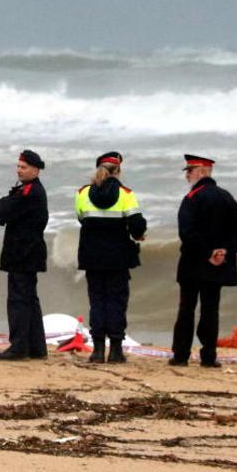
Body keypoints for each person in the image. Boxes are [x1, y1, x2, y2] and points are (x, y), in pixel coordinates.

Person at [169, 154, 237, 368]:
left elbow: (186, 233)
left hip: (193, 264)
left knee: (187, 309)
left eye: (190, 171)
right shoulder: (228, 198)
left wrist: (207, 253)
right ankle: (209, 357)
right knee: (211, 310)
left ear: (202, 172)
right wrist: (224, 252)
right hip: (218, 265)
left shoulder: (192, 198)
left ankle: (181, 356)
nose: (187, 176)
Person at [75, 152, 147, 364]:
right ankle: (115, 350)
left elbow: (82, 219)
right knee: (116, 302)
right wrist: (138, 233)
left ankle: (97, 351)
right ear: (118, 170)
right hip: (118, 258)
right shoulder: (126, 194)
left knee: (97, 301)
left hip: (92, 258)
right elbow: (137, 226)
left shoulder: (83, 193)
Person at [0, 149, 49, 361]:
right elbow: (0, 213)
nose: (19, 170)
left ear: (36, 170)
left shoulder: (29, 192)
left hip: (23, 253)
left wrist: (3, 203)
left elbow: (0, 213)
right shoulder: (28, 190)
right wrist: (4, 204)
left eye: (23, 167)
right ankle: (36, 347)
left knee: (19, 300)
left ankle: (19, 346)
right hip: (27, 253)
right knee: (29, 299)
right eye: (18, 166)